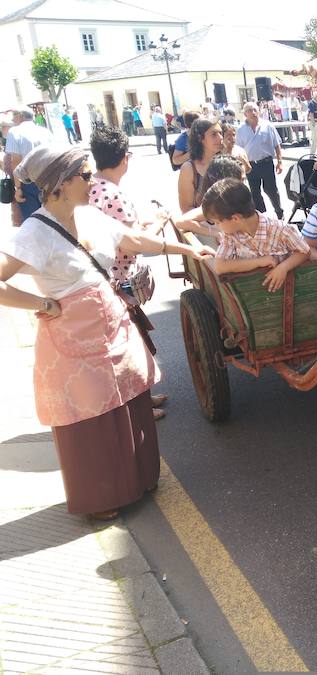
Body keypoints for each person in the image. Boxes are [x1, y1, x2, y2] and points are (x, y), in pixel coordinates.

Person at [0, 145, 211, 519]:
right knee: (91, 417)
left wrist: (185, 249)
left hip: (111, 327)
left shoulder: (88, 214)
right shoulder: (35, 231)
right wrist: (41, 304)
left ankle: (139, 480)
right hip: (73, 339)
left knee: (128, 403)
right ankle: (99, 499)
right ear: (59, 183)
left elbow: (134, 241)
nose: (91, 180)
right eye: (84, 175)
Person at [88, 125, 171, 420]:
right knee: (128, 347)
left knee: (130, 344)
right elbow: (137, 242)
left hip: (103, 280)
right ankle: (136, 408)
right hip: (117, 283)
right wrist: (160, 221)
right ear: (125, 158)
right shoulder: (112, 194)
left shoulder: (92, 188)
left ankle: (142, 400)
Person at [202, 178, 309, 289]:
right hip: (250, 292)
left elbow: (304, 251)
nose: (217, 226)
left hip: (285, 289)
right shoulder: (230, 235)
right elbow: (220, 266)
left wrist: (283, 267)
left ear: (235, 219)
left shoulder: (280, 230)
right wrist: (259, 262)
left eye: (218, 222)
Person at [236, 102, 284, 219]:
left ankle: (279, 212)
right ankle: (261, 216)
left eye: (254, 110)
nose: (253, 113)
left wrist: (280, 162)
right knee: (254, 192)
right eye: (249, 110)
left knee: (271, 190)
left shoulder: (267, 126)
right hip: (250, 165)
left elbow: (277, 145)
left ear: (258, 111)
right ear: (245, 114)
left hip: (266, 163)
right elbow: (238, 148)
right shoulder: (241, 129)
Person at [5, 108, 53, 221]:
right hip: (48, 180)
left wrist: (17, 187)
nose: (12, 119)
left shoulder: (15, 131)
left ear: (21, 116)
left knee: (32, 220)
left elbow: (16, 160)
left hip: (27, 182)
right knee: (51, 219)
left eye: (14, 115)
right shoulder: (45, 131)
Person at [178, 118, 224, 213]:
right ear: (200, 138)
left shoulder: (224, 163)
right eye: (214, 134)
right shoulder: (189, 169)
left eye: (220, 133)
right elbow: (186, 209)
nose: (220, 138)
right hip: (201, 225)